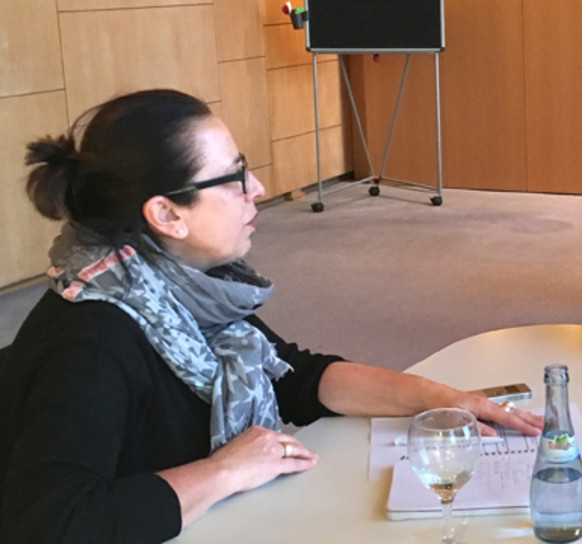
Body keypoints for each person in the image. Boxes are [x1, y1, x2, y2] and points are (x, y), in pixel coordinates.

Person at [0, 89, 543, 543]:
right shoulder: (93, 340)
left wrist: (440, 398)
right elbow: (52, 522)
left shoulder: (180, 287)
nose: (257, 189)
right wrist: (224, 472)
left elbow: (294, 376)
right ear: (166, 214)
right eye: (233, 177)